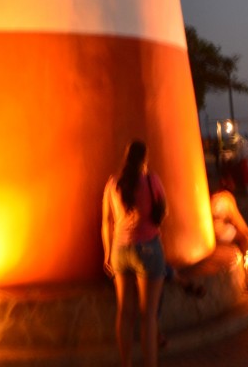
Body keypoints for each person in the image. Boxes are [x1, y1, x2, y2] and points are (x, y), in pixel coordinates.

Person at [102, 140, 167, 367]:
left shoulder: (113, 183)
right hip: (148, 248)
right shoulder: (151, 180)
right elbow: (164, 209)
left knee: (124, 312)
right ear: (144, 158)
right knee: (148, 315)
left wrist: (107, 253)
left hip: (120, 250)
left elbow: (106, 221)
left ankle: (126, 363)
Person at [210, 184, 248, 250]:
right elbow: (237, 220)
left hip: (209, 231)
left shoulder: (215, 197)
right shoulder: (223, 198)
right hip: (214, 233)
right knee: (243, 238)